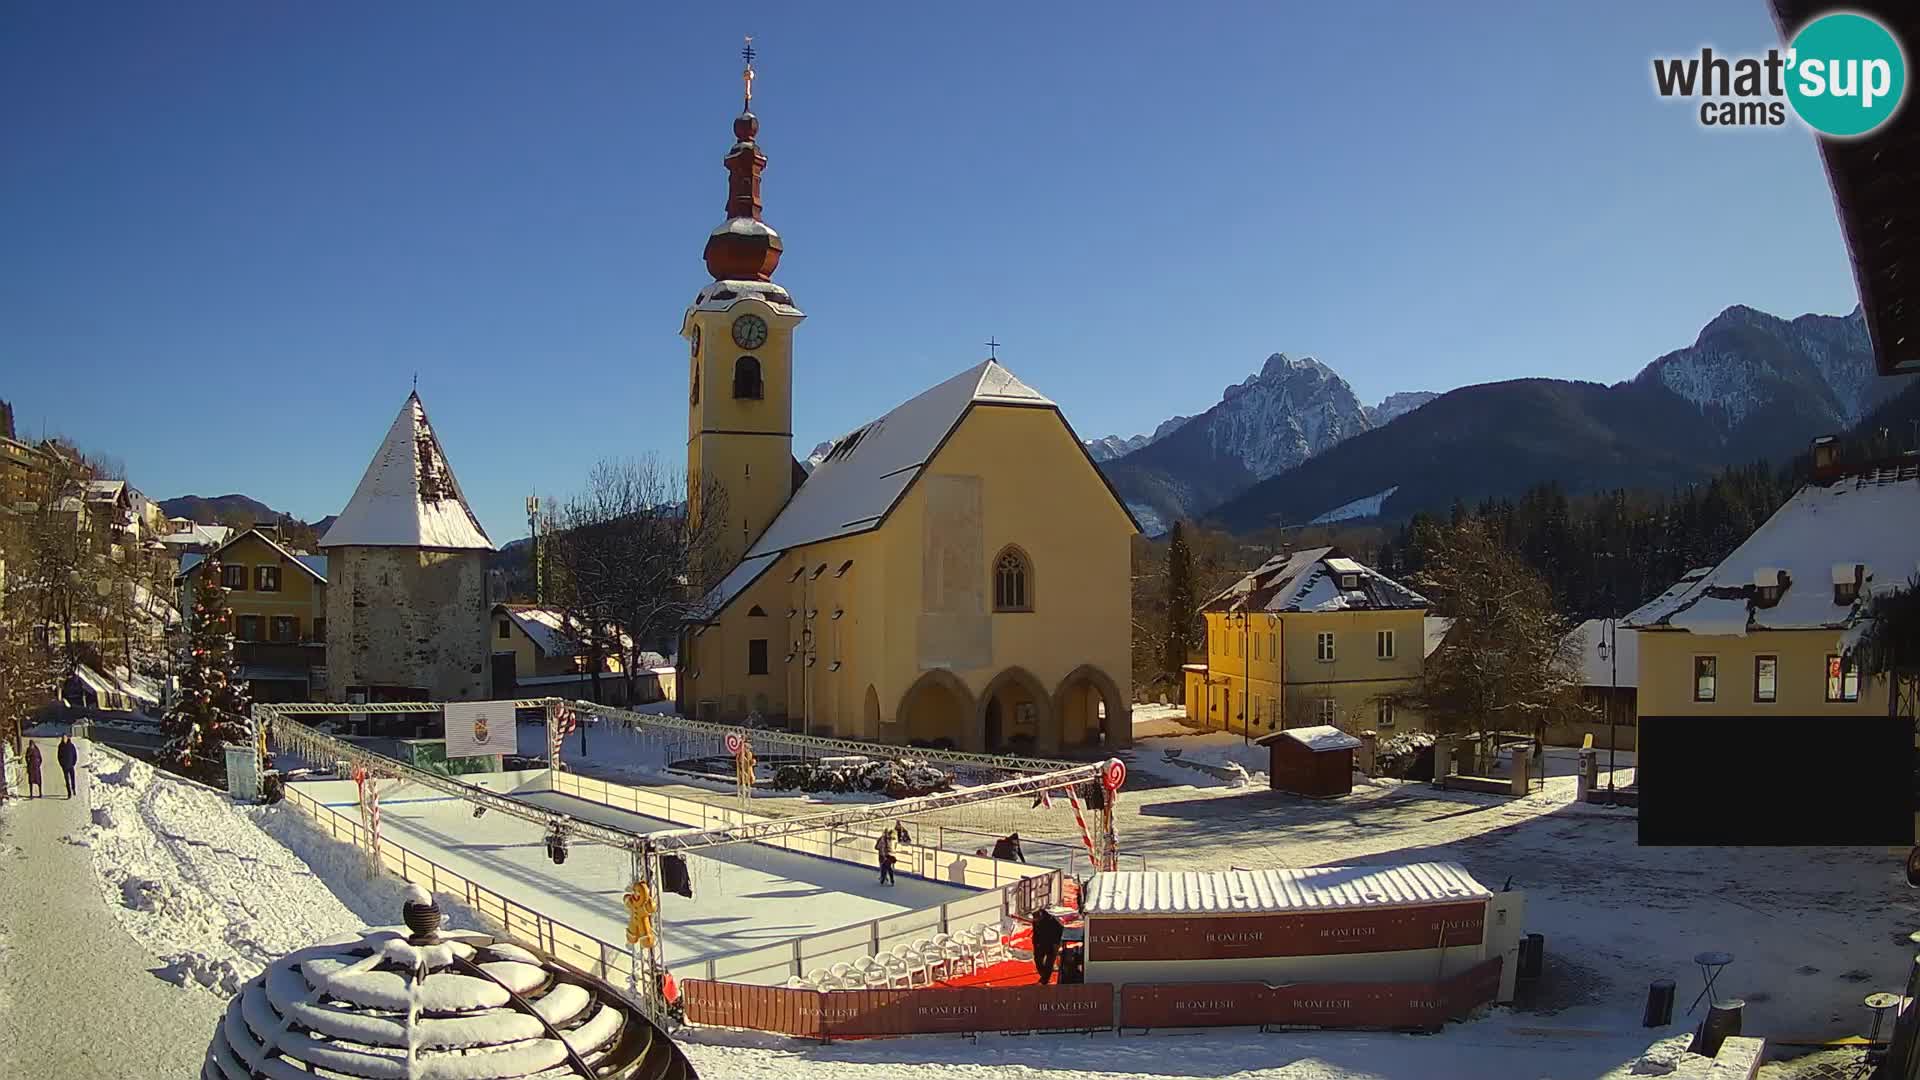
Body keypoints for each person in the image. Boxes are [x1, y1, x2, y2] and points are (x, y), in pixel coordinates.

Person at [1031, 906, 1065, 985]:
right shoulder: (1036, 921)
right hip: (1040, 944)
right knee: (1037, 960)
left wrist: (1056, 942)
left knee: (1049, 963)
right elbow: (1036, 932)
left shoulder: (1052, 920)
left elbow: (1060, 929)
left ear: (1041, 915)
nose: (1035, 921)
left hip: (1052, 945)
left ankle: (1044, 980)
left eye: (1036, 919)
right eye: (1035, 919)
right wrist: (1035, 942)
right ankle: (1044, 976)